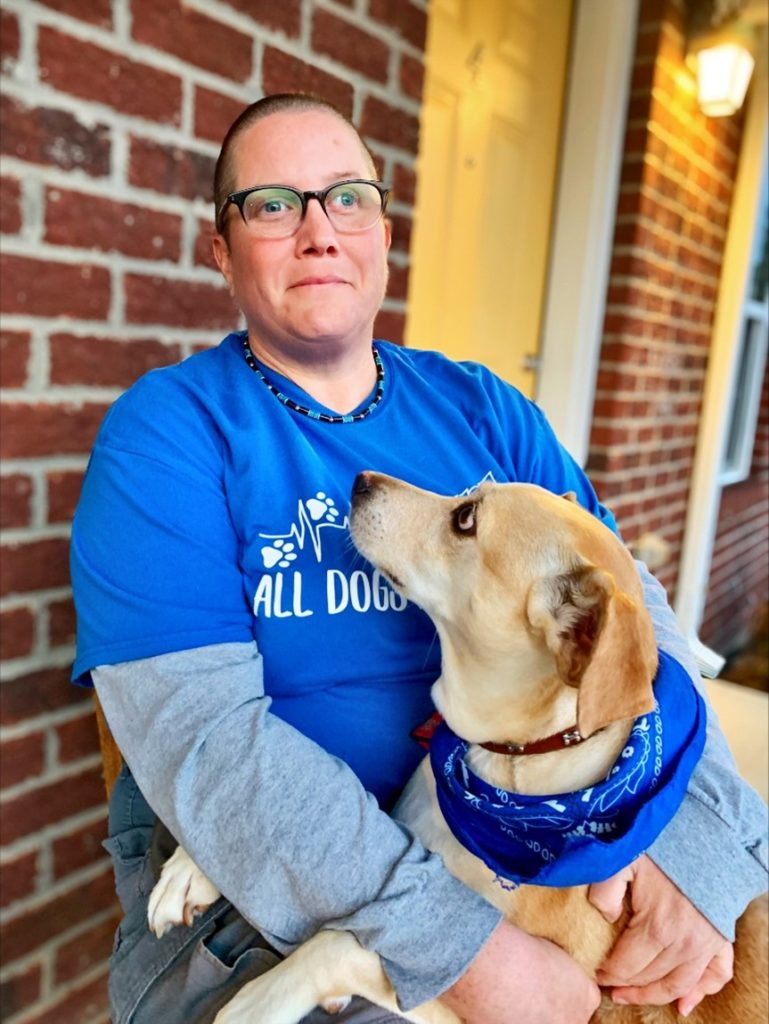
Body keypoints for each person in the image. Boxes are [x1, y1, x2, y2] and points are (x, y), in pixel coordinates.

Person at [70, 93, 767, 1024]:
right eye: (273, 204)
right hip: (275, 908)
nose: (319, 230)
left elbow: (639, 635)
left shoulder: (489, 413)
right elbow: (209, 752)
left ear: (382, 231)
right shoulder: (165, 435)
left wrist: (707, 864)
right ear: (220, 248)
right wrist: (475, 960)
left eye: (346, 196)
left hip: (545, 853)